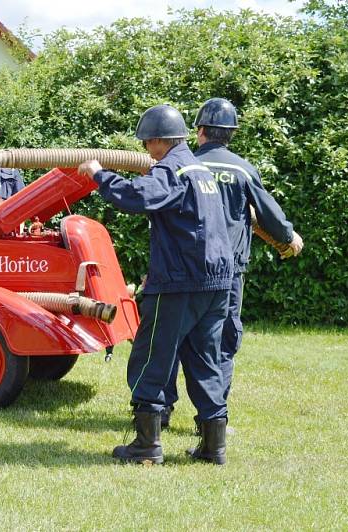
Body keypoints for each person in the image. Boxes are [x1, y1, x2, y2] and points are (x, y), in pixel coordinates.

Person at [78, 104, 233, 465]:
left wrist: (100, 175)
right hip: (216, 283)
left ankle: (147, 445)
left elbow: (137, 197)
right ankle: (214, 448)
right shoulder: (200, 170)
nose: (147, 150)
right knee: (205, 360)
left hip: (180, 284)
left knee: (151, 357)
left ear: (160, 140)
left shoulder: (172, 168)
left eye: (148, 143)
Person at [161, 98, 304, 431]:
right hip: (226, 274)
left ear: (198, 132)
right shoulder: (242, 169)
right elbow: (269, 216)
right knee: (220, 341)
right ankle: (212, 421)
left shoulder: (181, 165)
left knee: (171, 337)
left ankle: (160, 412)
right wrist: (288, 237)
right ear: (231, 134)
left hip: (182, 270)